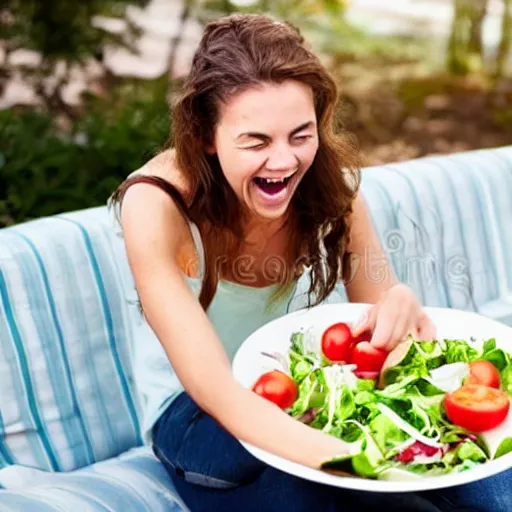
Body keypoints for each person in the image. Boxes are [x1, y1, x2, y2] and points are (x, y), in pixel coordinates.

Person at [110, 13, 511, 512]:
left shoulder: (328, 190)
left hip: (307, 388)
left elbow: (381, 305)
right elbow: (217, 390)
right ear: (207, 136)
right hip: (198, 413)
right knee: (325, 497)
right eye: (256, 141)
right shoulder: (156, 204)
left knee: (495, 492)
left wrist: (400, 303)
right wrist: (369, 462)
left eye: (300, 134)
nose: (283, 161)